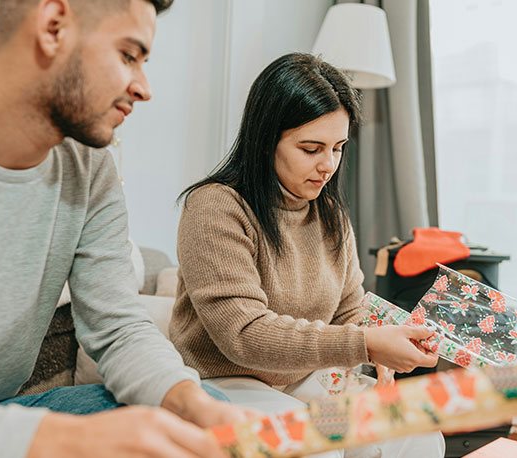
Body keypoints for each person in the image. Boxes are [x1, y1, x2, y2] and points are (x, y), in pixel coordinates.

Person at [0, 0, 248, 457]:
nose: (143, 88)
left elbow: (118, 328)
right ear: (53, 25)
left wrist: (194, 404)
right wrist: (59, 440)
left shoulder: (89, 169)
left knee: (192, 422)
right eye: (128, 55)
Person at [169, 53, 445, 457]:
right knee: (316, 447)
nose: (328, 166)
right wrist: (367, 344)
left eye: (338, 148)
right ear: (266, 140)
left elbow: (349, 311)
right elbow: (244, 336)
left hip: (303, 378)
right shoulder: (214, 207)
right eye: (311, 148)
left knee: (420, 434)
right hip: (219, 380)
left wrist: (396, 341)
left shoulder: (330, 214)